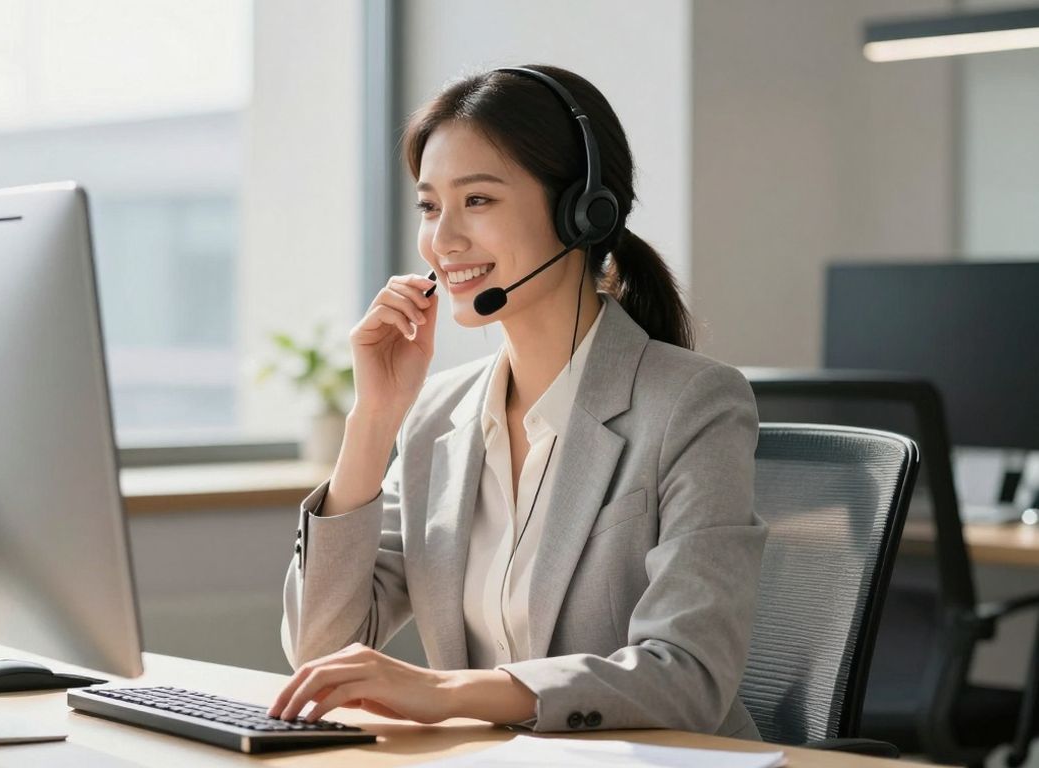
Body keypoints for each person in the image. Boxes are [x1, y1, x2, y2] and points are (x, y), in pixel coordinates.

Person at [269, 64, 766, 740]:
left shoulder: (693, 404)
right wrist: (373, 420)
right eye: (429, 205)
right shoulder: (439, 415)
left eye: (477, 201)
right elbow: (320, 651)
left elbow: (688, 675)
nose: (442, 240)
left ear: (583, 211)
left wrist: (446, 692)